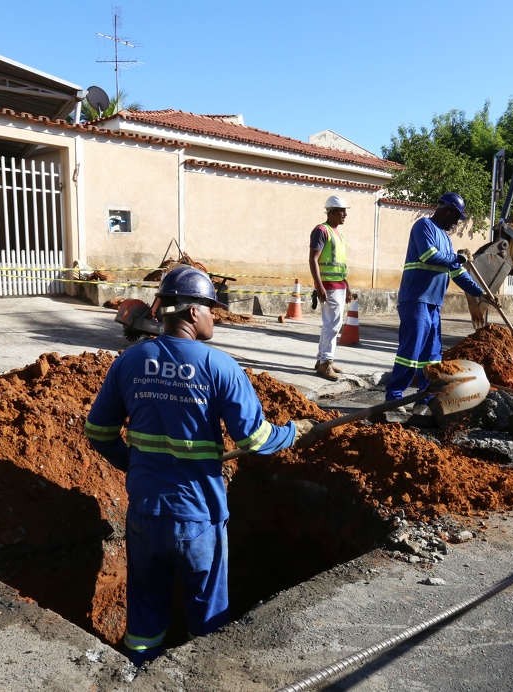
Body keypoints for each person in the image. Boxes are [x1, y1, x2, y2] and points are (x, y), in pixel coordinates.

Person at [84, 266, 315, 666]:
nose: (216, 316)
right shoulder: (220, 366)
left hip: (145, 513)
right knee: (207, 616)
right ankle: (202, 674)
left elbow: (98, 432)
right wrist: (295, 433)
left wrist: (133, 464)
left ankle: (139, 669)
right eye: (211, 308)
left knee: (145, 610)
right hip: (199, 517)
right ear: (192, 313)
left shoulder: (130, 361)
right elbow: (255, 440)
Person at [385, 192, 484, 407]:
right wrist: (457, 258)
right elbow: (429, 255)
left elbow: (457, 273)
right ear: (448, 211)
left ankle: (426, 398)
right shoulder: (423, 227)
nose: (456, 223)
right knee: (410, 353)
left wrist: (480, 293)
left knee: (431, 356)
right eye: (456, 218)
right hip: (416, 299)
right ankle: (394, 398)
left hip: (433, 304)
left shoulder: (446, 240)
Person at [308, 195, 352, 381]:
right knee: (332, 325)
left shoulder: (338, 234)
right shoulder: (321, 231)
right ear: (332, 212)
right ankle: (326, 363)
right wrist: (319, 285)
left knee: (333, 323)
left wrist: (347, 287)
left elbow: (340, 265)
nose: (345, 215)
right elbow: (313, 259)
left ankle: (323, 360)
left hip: (339, 285)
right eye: (342, 211)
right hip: (329, 286)